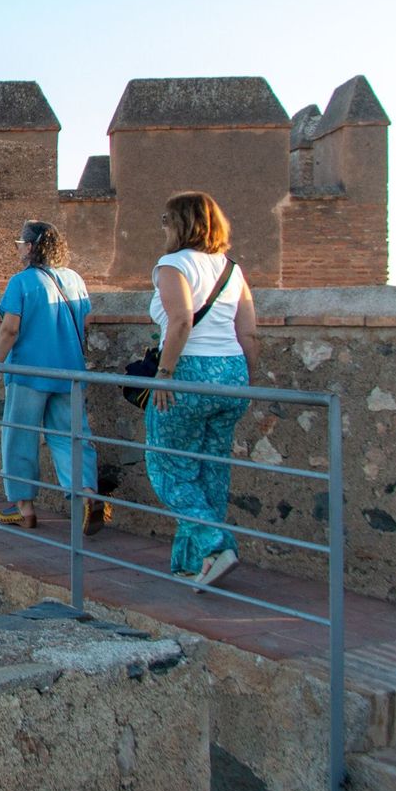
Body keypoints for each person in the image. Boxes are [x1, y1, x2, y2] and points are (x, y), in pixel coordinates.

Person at [145, 191, 260, 589]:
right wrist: (245, 380)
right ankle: (195, 565)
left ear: (180, 223)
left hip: (188, 372)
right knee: (211, 468)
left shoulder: (172, 265)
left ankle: (214, 544)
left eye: (165, 219)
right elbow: (249, 333)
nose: (162, 227)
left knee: (167, 464)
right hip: (232, 373)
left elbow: (180, 322)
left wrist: (164, 374)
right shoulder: (233, 269)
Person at [0, 221, 102, 533]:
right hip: (69, 371)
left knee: (19, 436)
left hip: (29, 373)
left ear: (32, 247)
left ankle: (24, 507)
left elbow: (9, 329)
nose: (18, 248)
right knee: (70, 436)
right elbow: (85, 321)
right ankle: (86, 494)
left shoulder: (22, 282)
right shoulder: (75, 280)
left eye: (20, 243)